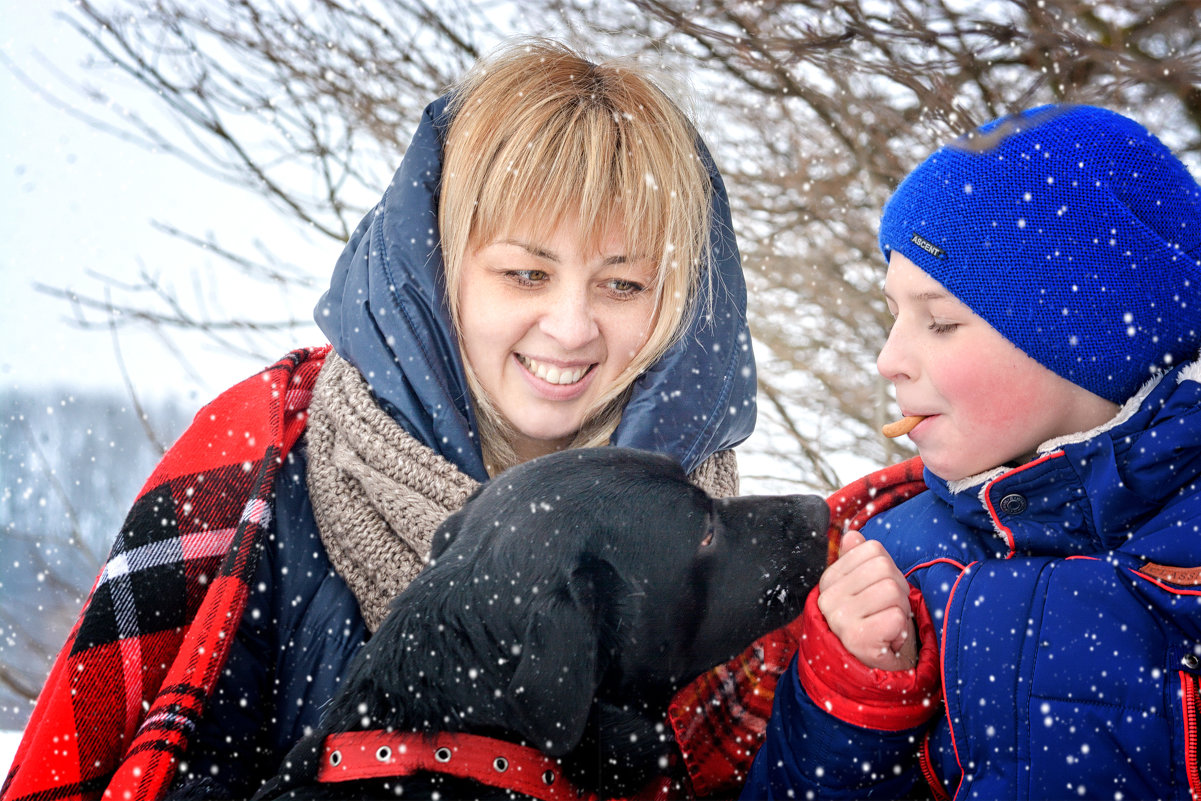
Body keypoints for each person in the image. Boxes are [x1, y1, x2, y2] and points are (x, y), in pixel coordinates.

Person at [4, 39, 764, 800]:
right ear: (436, 265)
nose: (570, 326)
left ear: (680, 301)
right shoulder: (263, 466)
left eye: (623, 284)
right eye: (524, 273)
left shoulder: (718, 548)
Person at [742, 104, 1201, 800]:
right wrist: (852, 694)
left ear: (1087, 346)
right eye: (893, 314)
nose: (887, 359)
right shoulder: (901, 558)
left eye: (940, 322)